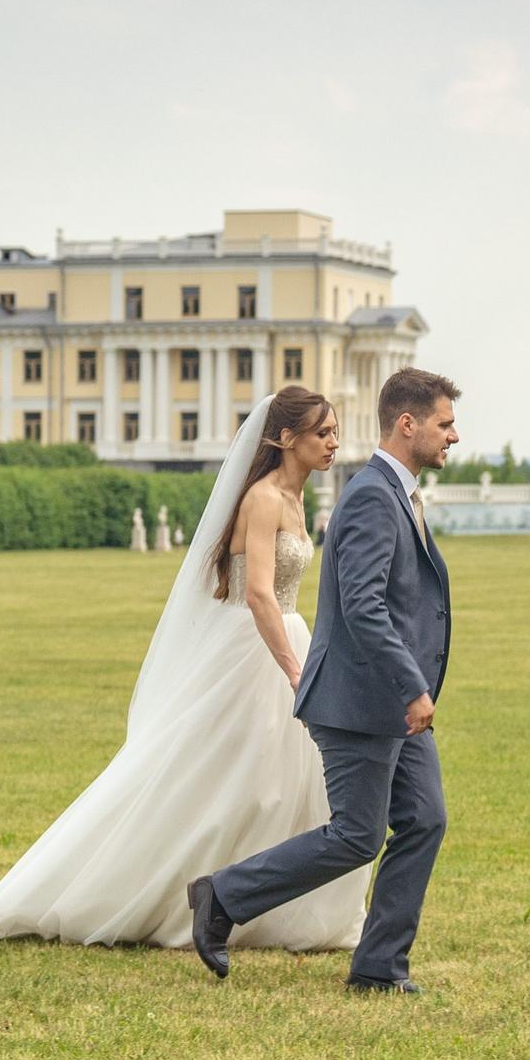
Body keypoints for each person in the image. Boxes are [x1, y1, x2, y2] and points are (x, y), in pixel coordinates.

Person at [0, 387, 369, 953]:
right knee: (217, 780)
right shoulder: (263, 499)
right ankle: (164, 894)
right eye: (322, 432)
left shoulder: (300, 500)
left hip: (288, 634)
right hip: (253, 649)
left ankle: (265, 908)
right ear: (285, 438)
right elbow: (257, 595)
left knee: (281, 784)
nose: (333, 442)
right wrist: (296, 674)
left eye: (333, 431)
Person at [189, 368, 458, 991]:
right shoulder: (370, 496)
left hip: (393, 700)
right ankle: (221, 896)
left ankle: (378, 969)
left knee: (424, 819)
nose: (453, 436)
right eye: (445, 424)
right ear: (408, 424)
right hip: (362, 698)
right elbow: (363, 606)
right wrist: (411, 685)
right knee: (357, 835)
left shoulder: (394, 493)